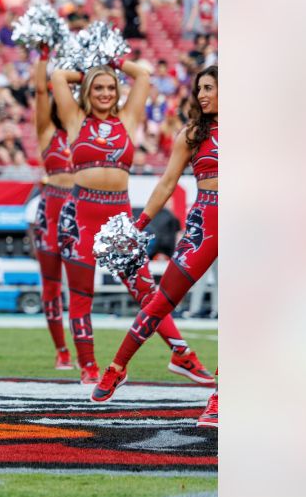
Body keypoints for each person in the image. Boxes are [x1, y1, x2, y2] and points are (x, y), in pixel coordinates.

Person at [49, 60, 212, 386]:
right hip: (80, 217)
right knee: (82, 294)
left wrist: (114, 63)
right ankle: (88, 366)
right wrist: (91, 72)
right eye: (98, 88)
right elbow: (56, 76)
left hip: (118, 219)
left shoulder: (128, 117)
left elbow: (143, 74)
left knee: (146, 290)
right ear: (87, 92)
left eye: (111, 87)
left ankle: (181, 353)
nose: (105, 93)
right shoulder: (75, 118)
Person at [91, 66, 219, 428]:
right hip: (206, 219)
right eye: (200, 89)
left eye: (210, 87)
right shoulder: (192, 134)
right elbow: (165, 185)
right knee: (163, 299)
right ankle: (116, 368)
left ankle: (220, 399)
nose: (202, 95)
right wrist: (139, 226)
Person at [31, 49, 74, 370]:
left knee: (81, 284)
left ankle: (87, 353)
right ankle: (61, 349)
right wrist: (44, 57)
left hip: (81, 207)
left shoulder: (87, 129)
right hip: (51, 208)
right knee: (51, 284)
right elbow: (39, 90)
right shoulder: (48, 132)